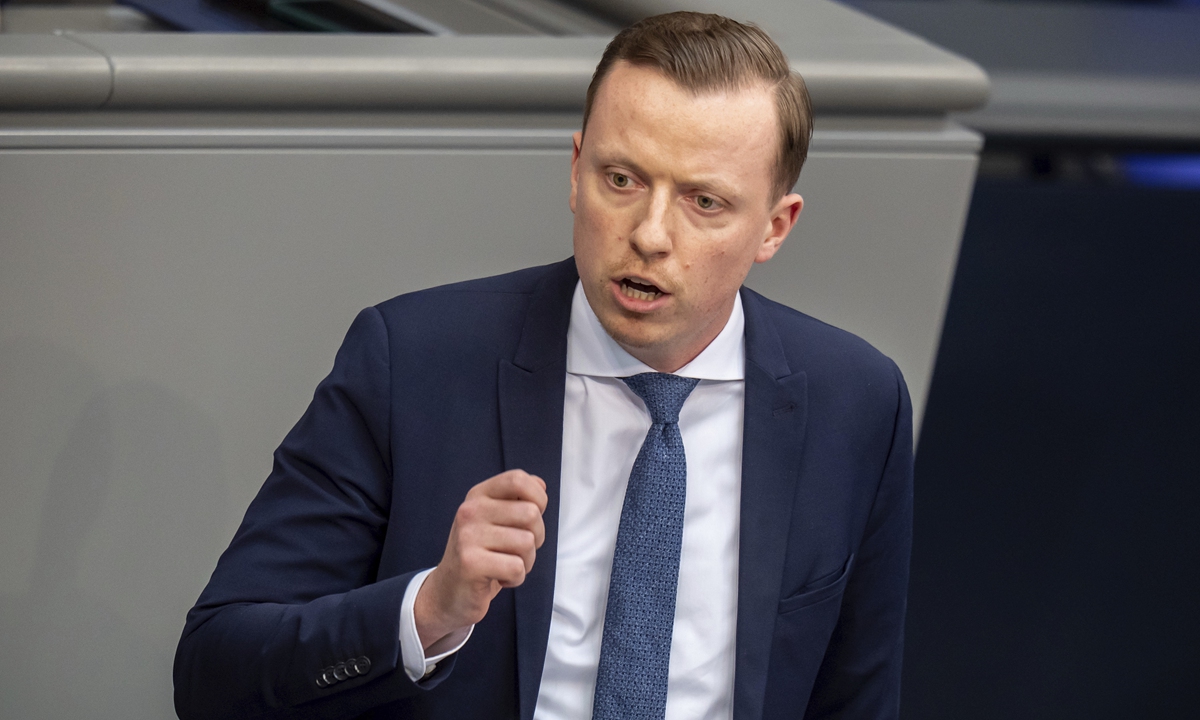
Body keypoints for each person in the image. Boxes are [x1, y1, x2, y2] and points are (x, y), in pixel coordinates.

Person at [174, 11, 912, 720]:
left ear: (774, 228)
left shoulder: (856, 404)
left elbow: (855, 698)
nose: (649, 234)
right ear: (575, 169)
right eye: (621, 179)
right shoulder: (413, 362)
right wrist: (427, 611)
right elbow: (214, 673)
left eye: (704, 202)